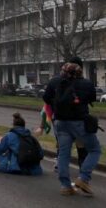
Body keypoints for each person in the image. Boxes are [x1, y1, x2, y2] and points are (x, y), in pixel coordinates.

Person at [43, 58, 101, 196]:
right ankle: (83, 178)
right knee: (95, 149)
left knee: (63, 154)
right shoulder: (86, 83)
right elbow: (92, 99)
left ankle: (65, 186)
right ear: (80, 71)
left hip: (60, 123)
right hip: (79, 122)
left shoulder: (54, 82)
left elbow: (46, 98)